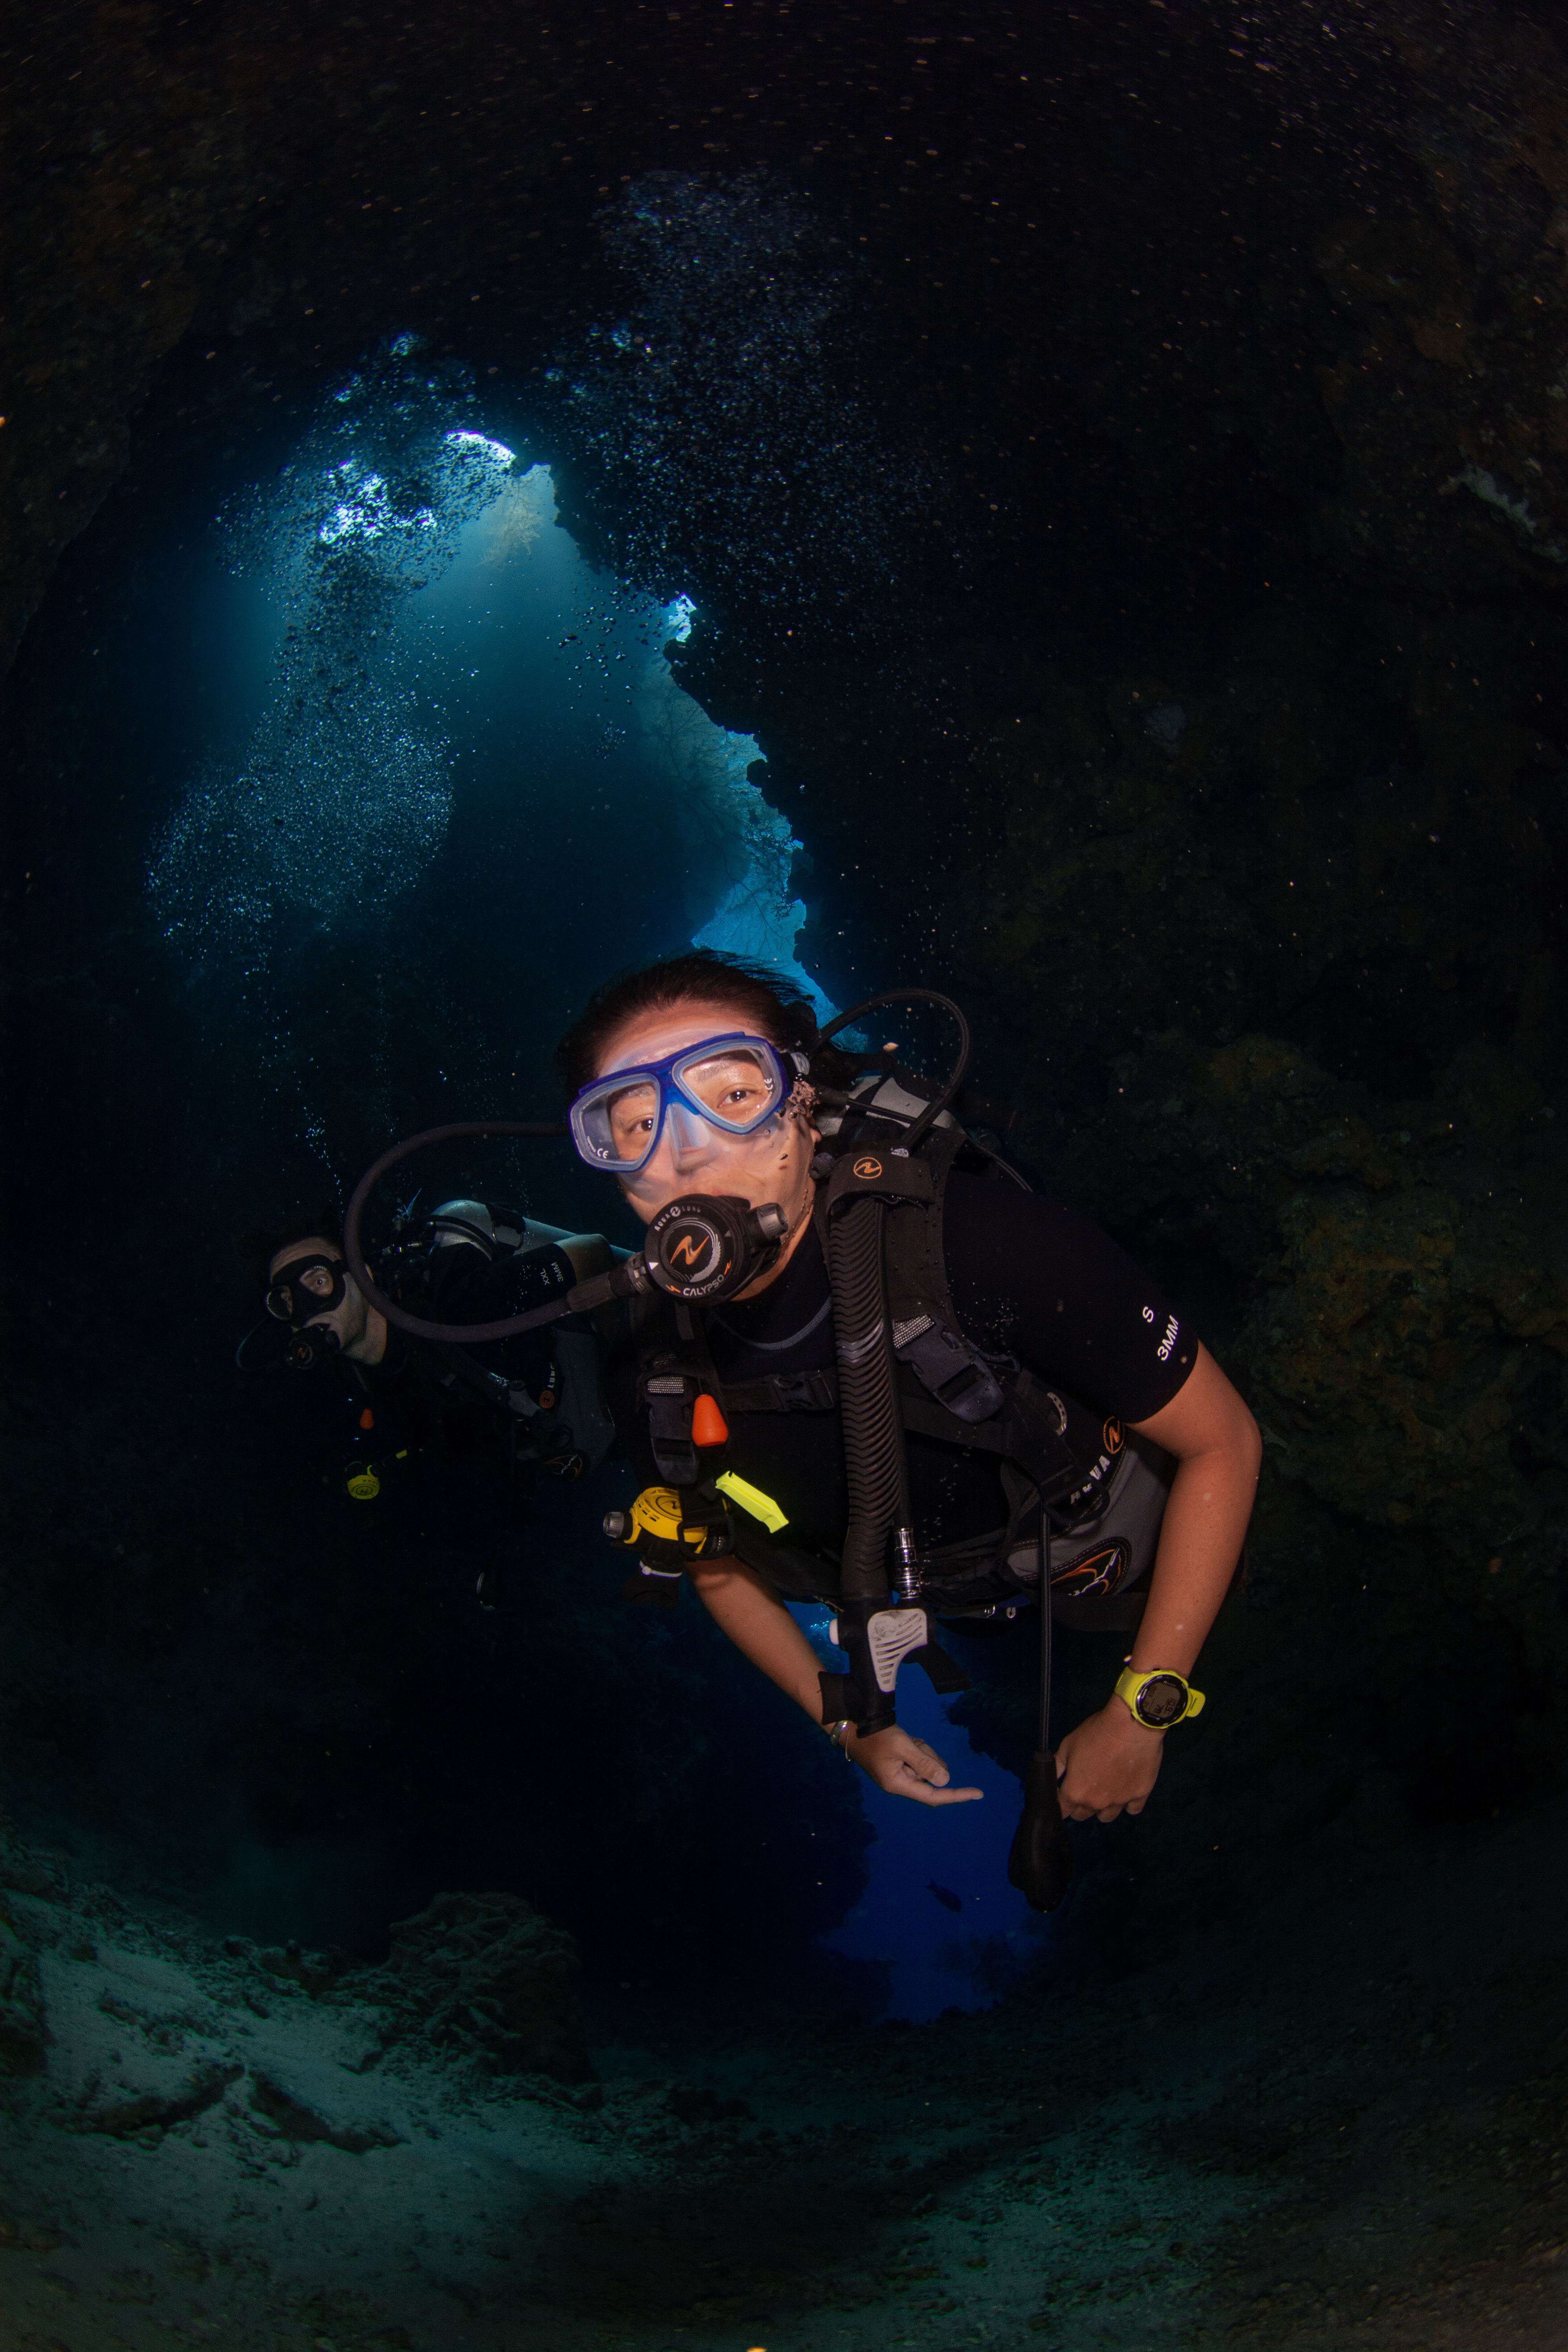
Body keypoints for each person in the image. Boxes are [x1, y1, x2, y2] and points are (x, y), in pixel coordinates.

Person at [557, 950, 1261, 1825]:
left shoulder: (987, 1247)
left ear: (804, 1101)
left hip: (1135, 1566)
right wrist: (847, 1725)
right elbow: (715, 1563)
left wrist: (1143, 1711)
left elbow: (1222, 1442)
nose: (688, 1148)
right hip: (957, 1606)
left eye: (734, 1094)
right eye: (632, 1123)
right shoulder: (647, 1363)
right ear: (610, 1165)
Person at [241, 1200, 617, 1602]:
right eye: (285, 1301)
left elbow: (593, 1253)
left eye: (317, 1282)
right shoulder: (363, 1386)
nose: (306, 1309)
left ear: (362, 1273)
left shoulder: (455, 1307)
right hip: (594, 1445)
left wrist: (633, 1362)